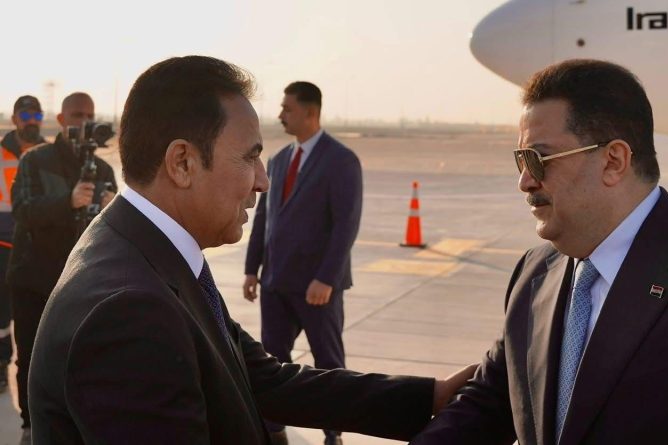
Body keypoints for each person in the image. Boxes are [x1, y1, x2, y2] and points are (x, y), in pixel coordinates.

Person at [28, 55, 473, 445]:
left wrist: (431, 397)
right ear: (182, 163)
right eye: (249, 157)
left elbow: (262, 380)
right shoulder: (130, 312)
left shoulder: (146, 250)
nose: (262, 180)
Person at [410, 59, 668, 445]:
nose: (525, 182)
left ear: (613, 161)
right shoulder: (534, 273)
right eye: (520, 160)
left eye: (537, 159)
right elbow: (487, 406)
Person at [243, 81, 361, 445]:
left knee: (328, 363)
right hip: (275, 283)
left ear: (311, 112)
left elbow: (346, 224)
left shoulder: (341, 160)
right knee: (272, 362)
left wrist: (327, 278)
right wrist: (251, 269)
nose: (281, 115)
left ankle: (333, 433)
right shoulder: (278, 160)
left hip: (317, 287)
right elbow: (264, 219)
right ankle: (274, 430)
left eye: (287, 109)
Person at [7, 92, 116, 443]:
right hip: (34, 278)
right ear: (61, 118)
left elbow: (113, 231)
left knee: (80, 358)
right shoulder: (35, 160)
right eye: (77, 115)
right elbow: (24, 209)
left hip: (81, 282)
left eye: (89, 115)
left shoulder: (102, 170)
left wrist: (111, 208)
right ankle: (30, 427)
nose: (84, 122)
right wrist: (67, 201)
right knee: (31, 357)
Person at [0, 95, 46, 393]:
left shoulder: (50, 155)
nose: (32, 121)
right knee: (1, 314)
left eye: (37, 116)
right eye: (26, 115)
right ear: (15, 118)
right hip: (2, 245)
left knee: (39, 315)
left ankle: (38, 374)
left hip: (37, 247)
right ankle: (1, 365)